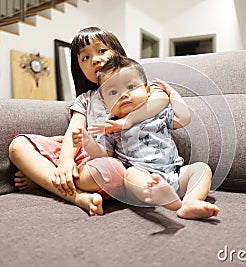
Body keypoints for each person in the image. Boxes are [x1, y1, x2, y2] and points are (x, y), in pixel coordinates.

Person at [9, 26, 170, 216]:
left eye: (102, 51)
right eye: (85, 58)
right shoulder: (86, 99)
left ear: (117, 53)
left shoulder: (137, 88)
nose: (95, 59)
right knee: (18, 146)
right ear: (80, 70)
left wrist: (126, 121)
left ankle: (47, 180)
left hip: (112, 163)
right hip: (82, 154)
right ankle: (73, 192)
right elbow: (74, 132)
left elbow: (161, 98)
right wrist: (65, 162)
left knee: (112, 170)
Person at [73, 55, 219, 219]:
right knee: (129, 175)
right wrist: (87, 142)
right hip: (140, 178)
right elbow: (104, 155)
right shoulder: (110, 126)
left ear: (147, 90)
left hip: (175, 174)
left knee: (202, 169)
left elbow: (184, 118)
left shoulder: (157, 113)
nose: (123, 95)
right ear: (105, 103)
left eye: (130, 86)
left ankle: (190, 202)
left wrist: (172, 94)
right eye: (113, 92)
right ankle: (157, 193)